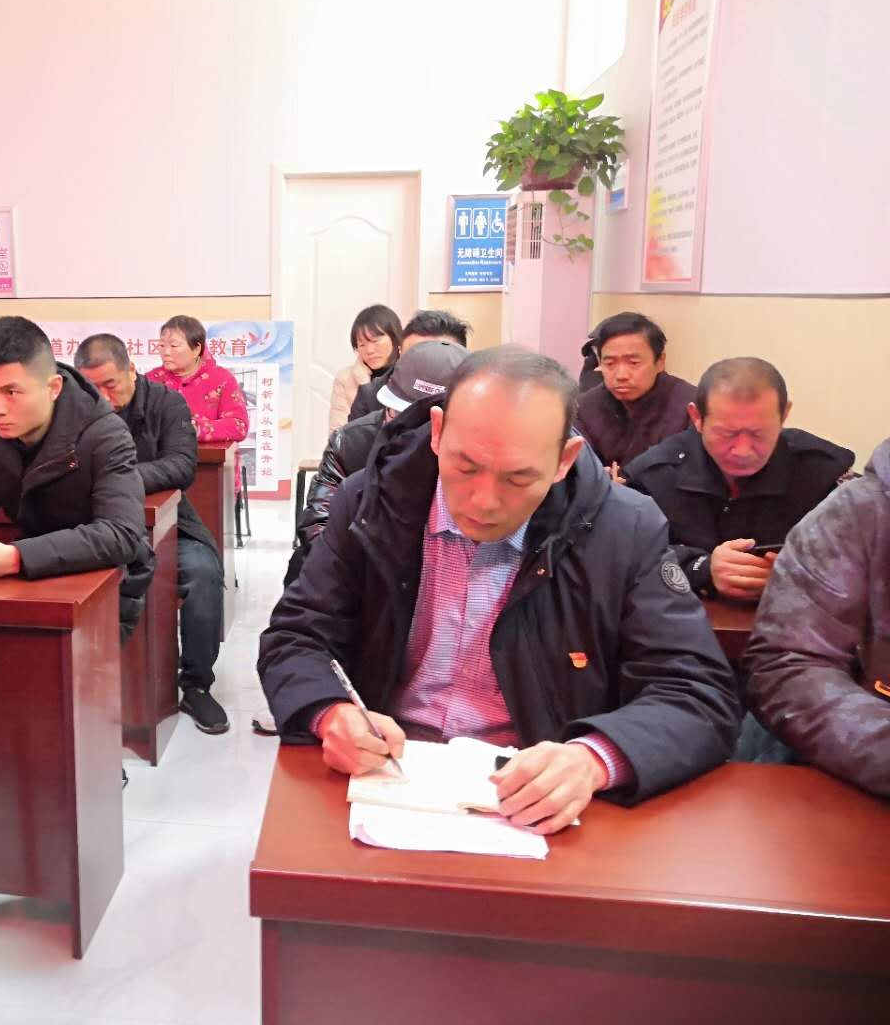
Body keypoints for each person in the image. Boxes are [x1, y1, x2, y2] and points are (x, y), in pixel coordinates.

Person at [259, 346, 739, 833]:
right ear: (438, 433)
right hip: (387, 780)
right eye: (466, 467)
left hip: (535, 799)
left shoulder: (623, 530)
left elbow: (697, 693)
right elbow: (296, 637)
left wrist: (593, 758)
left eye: (518, 478)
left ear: (564, 460)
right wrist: (329, 711)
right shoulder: (372, 503)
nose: (485, 501)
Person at [0, 317, 153, 642]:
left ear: (53, 388)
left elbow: (121, 534)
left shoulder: (104, 434)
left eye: (12, 392)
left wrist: (14, 557)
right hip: (33, 576)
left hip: (111, 584)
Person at [75, 333, 229, 734]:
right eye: (92, 388)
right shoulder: (73, 410)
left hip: (169, 526)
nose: (103, 397)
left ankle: (196, 685)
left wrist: (115, 479)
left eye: (111, 384)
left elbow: (181, 466)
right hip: (96, 528)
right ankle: (93, 691)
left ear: (131, 369)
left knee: (203, 574)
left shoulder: (166, 403)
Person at [624, 358, 853, 602]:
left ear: (784, 414)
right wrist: (700, 569)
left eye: (758, 433)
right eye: (727, 433)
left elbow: (858, 558)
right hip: (684, 616)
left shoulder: (822, 473)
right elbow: (626, 556)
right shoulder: (653, 476)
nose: (743, 451)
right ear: (697, 417)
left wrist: (795, 573)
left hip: (795, 616)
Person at [743, 435, 890, 797]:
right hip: (836, 776)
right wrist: (701, 568)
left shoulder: (821, 465)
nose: (743, 448)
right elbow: (790, 663)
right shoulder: (858, 515)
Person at [288, 341, 469, 586]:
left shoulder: (475, 458)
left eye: (422, 424)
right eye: (397, 415)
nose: (410, 433)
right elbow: (318, 526)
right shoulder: (351, 444)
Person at [576, 311, 695, 474]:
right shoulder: (585, 407)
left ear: (660, 362)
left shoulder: (690, 407)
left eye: (633, 363)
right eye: (610, 364)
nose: (621, 375)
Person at [347, 309, 471, 422]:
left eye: (439, 358)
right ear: (400, 352)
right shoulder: (371, 395)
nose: (427, 365)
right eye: (415, 355)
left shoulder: (472, 401)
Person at [147, 315, 249, 444]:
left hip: (206, 456)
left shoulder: (222, 379)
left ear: (196, 349)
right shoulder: (150, 380)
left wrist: (197, 429)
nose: (165, 352)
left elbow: (239, 426)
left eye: (173, 345)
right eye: (162, 345)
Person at [328, 305, 401, 432]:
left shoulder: (410, 374)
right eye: (362, 344)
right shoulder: (345, 379)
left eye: (375, 341)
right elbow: (337, 434)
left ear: (395, 337)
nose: (369, 351)